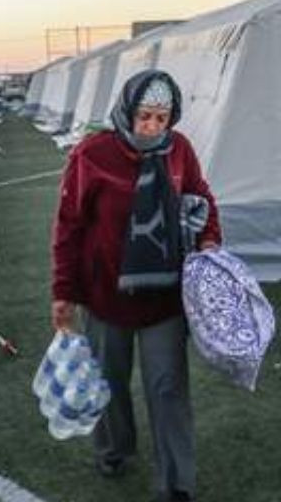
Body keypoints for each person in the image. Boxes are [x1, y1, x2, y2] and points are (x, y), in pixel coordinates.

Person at [51, 69, 221, 502]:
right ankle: (113, 450)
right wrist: (63, 291)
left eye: (161, 118)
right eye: (144, 115)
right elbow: (69, 225)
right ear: (127, 111)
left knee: (168, 388)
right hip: (106, 295)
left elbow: (201, 196)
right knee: (109, 380)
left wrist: (210, 239)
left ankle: (176, 482)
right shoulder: (93, 154)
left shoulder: (179, 150)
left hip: (165, 297)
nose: (151, 127)